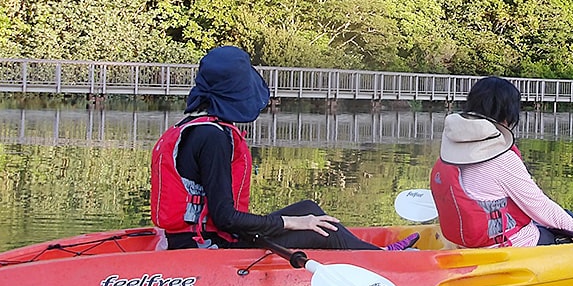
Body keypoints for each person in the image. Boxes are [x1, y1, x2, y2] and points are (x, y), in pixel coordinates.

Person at [151, 46, 418, 251]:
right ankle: (384, 258)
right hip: (205, 244)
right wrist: (292, 223)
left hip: (203, 235)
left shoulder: (194, 124)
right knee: (325, 230)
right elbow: (225, 218)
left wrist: (298, 218)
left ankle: (372, 252)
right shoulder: (213, 137)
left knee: (308, 207)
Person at [431, 76, 573, 248]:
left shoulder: (451, 147)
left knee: (568, 217)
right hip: (507, 245)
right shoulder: (500, 158)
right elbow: (542, 209)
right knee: (565, 224)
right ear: (508, 114)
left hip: (467, 240)